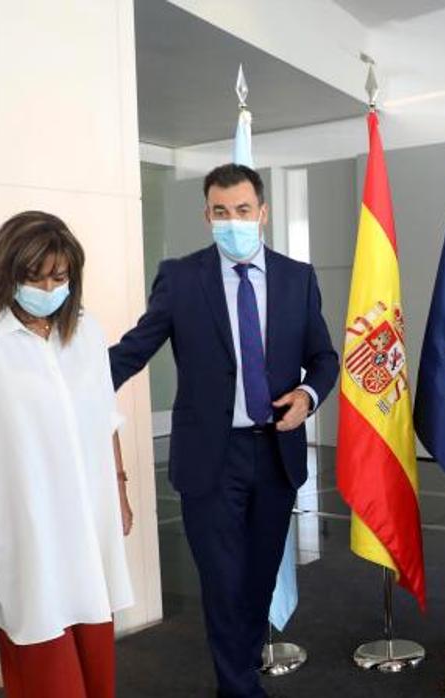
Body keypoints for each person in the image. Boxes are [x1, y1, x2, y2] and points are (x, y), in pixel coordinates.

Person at [109, 163, 338, 697]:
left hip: (275, 453)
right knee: (222, 582)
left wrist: (307, 396)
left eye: (242, 210)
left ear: (263, 212)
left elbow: (324, 358)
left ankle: (240, 676)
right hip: (209, 458)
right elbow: (134, 350)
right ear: (206, 215)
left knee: (257, 582)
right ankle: (238, 689)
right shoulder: (181, 277)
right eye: (220, 211)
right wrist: (65, 379)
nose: (232, 220)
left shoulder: (297, 278)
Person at [0, 211, 134, 697]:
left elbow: (105, 418)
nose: (48, 288)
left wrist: (119, 491)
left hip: (86, 523)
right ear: (8, 273)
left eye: (59, 276)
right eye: (35, 277)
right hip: (22, 530)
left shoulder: (85, 332)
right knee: (42, 656)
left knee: (95, 657)